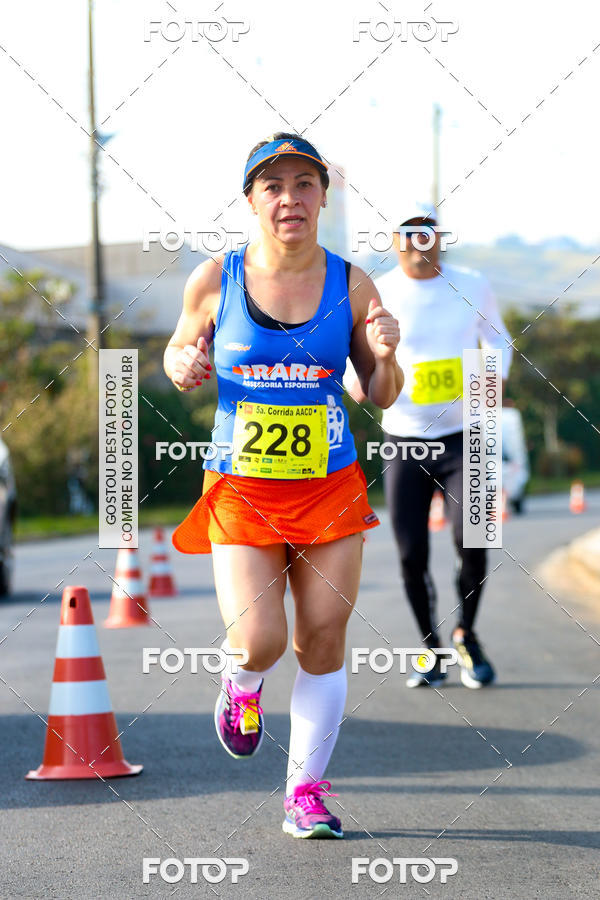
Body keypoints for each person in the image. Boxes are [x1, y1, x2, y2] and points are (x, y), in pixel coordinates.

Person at [163, 133, 402, 838]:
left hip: (329, 486)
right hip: (242, 488)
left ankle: (306, 792)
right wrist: (182, 363)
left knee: (322, 641)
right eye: (274, 186)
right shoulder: (215, 279)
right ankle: (241, 685)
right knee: (262, 641)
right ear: (251, 201)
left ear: (323, 196)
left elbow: (380, 394)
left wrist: (387, 354)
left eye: (304, 184)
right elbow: (182, 348)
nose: (290, 199)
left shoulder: (354, 284)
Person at [348, 201, 512, 689]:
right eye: (407, 232)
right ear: (394, 240)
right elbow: (354, 353)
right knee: (410, 553)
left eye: (426, 230)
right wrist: (353, 384)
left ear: (440, 235)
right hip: (405, 440)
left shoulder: (472, 283)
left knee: (475, 541)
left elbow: (498, 339)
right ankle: (430, 648)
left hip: (468, 437)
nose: (418, 240)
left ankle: (467, 634)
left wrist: (492, 379)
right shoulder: (378, 290)